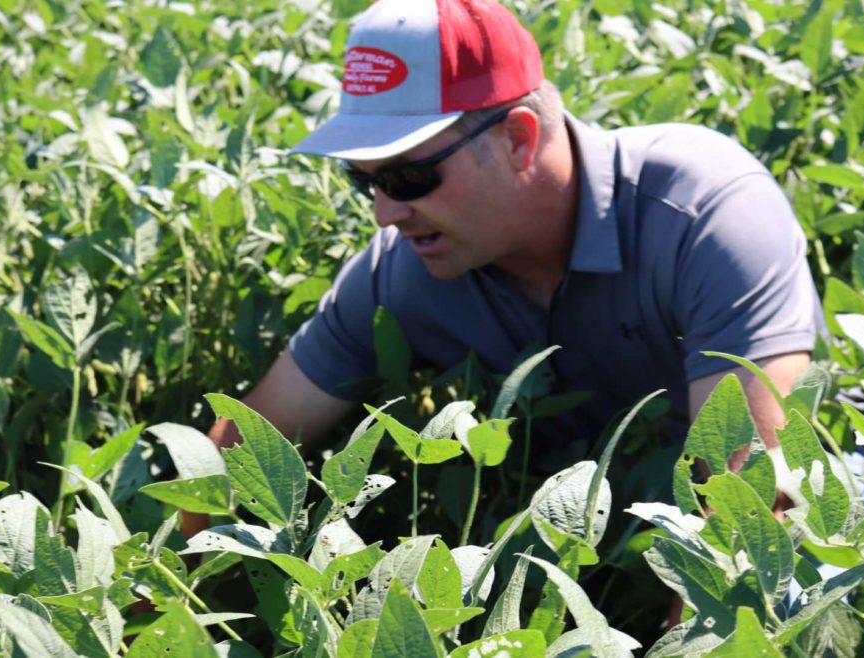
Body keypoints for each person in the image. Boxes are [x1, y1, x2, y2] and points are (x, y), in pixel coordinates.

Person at [184, 0, 822, 534]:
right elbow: (246, 445)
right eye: (363, 180)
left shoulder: (700, 210)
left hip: (819, 513)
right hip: (584, 538)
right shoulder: (402, 268)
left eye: (409, 175)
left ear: (518, 137)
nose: (384, 214)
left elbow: (757, 503)